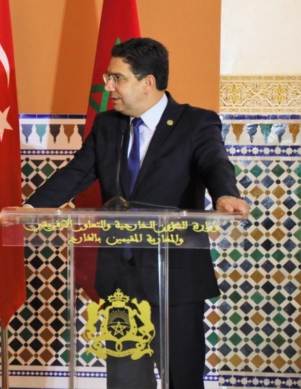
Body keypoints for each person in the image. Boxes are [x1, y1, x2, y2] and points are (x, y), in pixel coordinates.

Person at [24, 38, 248, 389]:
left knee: (182, 379)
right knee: (126, 381)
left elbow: (214, 162)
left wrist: (225, 194)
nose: (108, 87)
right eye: (108, 77)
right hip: (120, 279)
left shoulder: (195, 123)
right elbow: (77, 172)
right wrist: (30, 208)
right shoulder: (107, 125)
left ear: (148, 82)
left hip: (174, 277)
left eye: (117, 78)